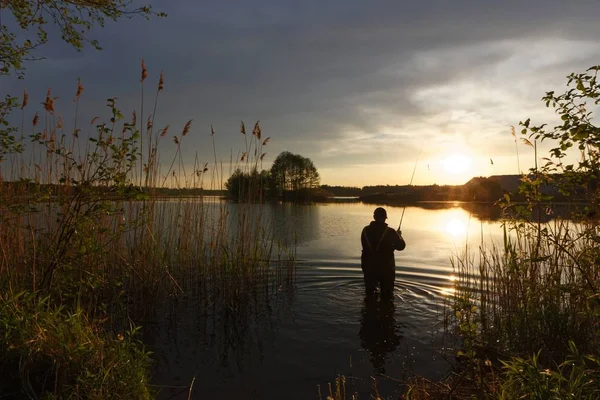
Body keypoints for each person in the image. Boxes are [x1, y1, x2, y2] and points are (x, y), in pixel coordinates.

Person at [360, 207, 405, 297]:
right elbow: (401, 246)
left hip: (368, 266)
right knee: (387, 295)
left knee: (369, 294)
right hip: (386, 268)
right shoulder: (390, 232)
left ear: (374, 217)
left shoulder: (365, 230)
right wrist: (399, 236)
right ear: (385, 218)